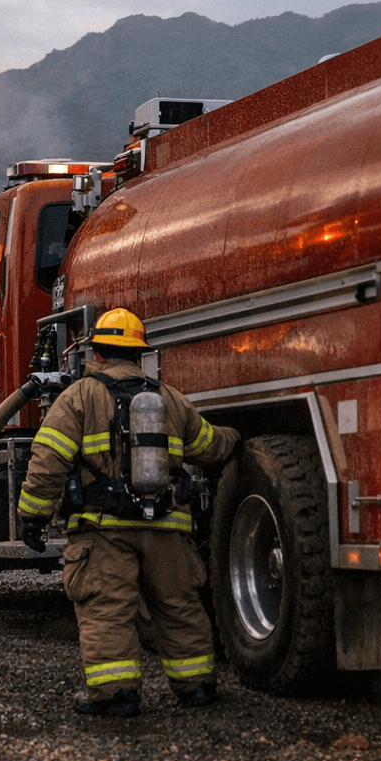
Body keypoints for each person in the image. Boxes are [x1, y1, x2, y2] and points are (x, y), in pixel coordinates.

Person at [17, 307, 240, 717]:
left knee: (107, 608)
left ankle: (116, 693)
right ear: (139, 355)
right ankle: (198, 687)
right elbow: (209, 445)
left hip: (104, 530)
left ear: (97, 352)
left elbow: (48, 460)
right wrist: (239, 436)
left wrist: (33, 515)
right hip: (166, 527)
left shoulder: (78, 397)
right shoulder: (168, 398)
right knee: (179, 606)